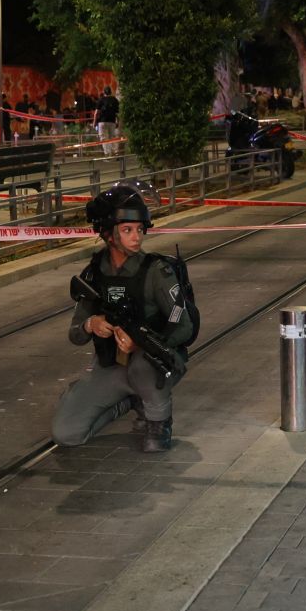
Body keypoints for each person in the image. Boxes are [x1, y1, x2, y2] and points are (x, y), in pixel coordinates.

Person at [53, 181, 195, 453]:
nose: (137, 237)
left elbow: (185, 325)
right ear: (108, 234)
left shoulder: (156, 271)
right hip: (112, 367)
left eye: (140, 229)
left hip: (156, 362)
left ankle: (158, 421)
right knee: (66, 433)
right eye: (127, 230)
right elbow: (74, 334)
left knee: (142, 366)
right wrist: (90, 324)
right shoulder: (94, 274)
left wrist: (142, 343)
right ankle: (129, 400)